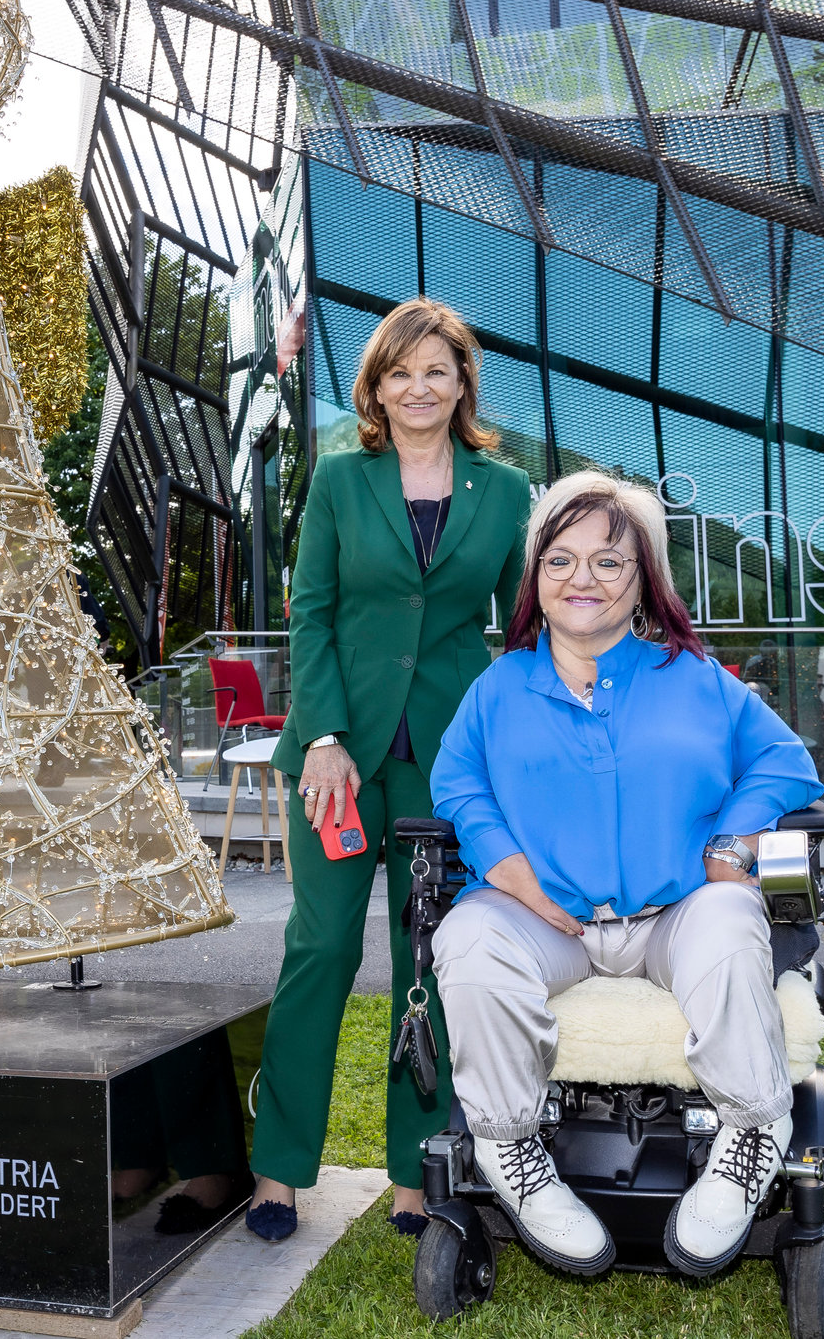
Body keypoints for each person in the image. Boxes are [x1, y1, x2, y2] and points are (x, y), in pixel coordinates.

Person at [428, 471, 823, 1278]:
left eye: (608, 562)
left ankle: (753, 1130)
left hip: (673, 914)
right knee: (467, 937)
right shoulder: (499, 688)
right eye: (560, 560)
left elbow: (784, 763)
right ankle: (510, 1148)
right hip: (547, 921)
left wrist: (732, 846)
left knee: (730, 916)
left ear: (643, 580)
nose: (582, 579)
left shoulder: (695, 678)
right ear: (536, 578)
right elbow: (457, 784)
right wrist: (509, 871)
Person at [247, 298, 530, 1242]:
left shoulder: (506, 492)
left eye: (436, 371)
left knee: (431, 957)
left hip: (444, 761)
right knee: (321, 949)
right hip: (338, 760)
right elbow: (311, 613)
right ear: (375, 386)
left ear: (462, 384)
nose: (418, 388)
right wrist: (323, 734)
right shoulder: (339, 480)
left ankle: (417, 1171)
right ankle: (279, 1168)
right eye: (400, 372)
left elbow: (523, 630)